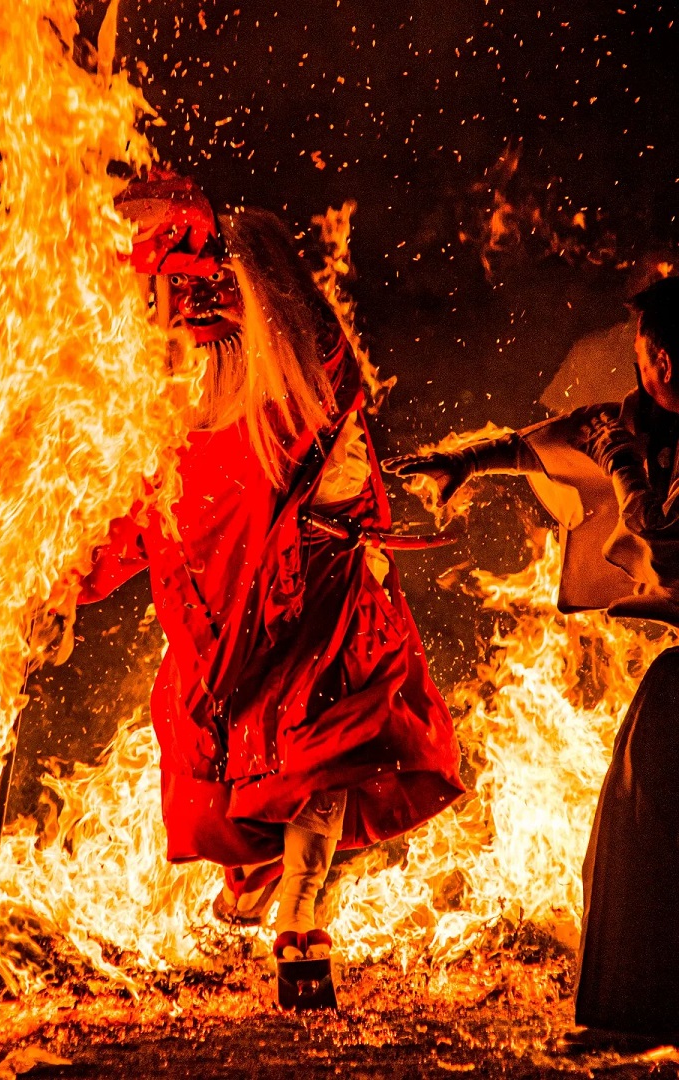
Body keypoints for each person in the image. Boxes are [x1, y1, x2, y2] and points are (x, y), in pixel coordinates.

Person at [78, 172, 464, 965]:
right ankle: (266, 889)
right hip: (230, 627)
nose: (197, 312)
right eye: (186, 297)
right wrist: (63, 581)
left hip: (315, 597)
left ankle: (298, 919)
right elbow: (141, 519)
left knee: (324, 750)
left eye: (216, 294)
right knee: (256, 762)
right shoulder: (186, 430)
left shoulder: (302, 390)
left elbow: (317, 415)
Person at [387, 275, 679, 1044]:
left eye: (669, 352)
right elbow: (542, 442)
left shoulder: (644, 445)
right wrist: (466, 463)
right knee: (632, 813)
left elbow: (661, 547)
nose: (659, 368)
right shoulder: (637, 422)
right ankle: (633, 1012)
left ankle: (644, 1011)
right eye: (652, 351)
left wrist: (622, 468)